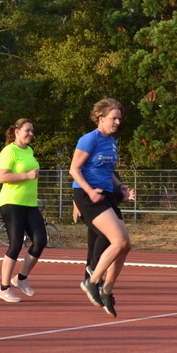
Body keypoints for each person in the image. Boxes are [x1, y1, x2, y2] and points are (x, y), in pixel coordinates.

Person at [70, 98, 136, 317]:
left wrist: (122, 187)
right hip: (88, 195)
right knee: (119, 240)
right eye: (113, 118)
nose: (117, 122)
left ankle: (107, 289)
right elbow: (74, 169)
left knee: (125, 245)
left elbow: (109, 172)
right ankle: (92, 280)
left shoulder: (112, 141)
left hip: (106, 194)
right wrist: (89, 191)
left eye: (119, 118)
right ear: (101, 119)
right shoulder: (89, 139)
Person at [0, 118, 46, 302]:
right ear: (17, 131)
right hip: (12, 202)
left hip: (30, 203)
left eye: (32, 131)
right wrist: (27, 175)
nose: (31, 134)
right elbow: (1, 177)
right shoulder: (9, 151)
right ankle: (3, 287)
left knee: (40, 241)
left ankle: (21, 278)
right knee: (16, 244)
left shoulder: (30, 151)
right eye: (27, 130)